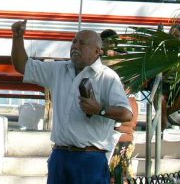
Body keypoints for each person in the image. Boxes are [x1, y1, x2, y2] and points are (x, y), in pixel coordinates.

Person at [11, 20, 133, 184]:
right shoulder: (58, 69)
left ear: (97, 51)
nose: (75, 46)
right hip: (60, 156)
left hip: (90, 159)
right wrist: (17, 37)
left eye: (82, 43)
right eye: (74, 41)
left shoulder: (107, 76)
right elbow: (22, 66)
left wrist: (100, 109)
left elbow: (126, 113)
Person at [100, 29, 138, 183]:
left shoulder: (124, 58)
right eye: (107, 42)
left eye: (113, 42)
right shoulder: (96, 60)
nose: (110, 45)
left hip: (122, 103)